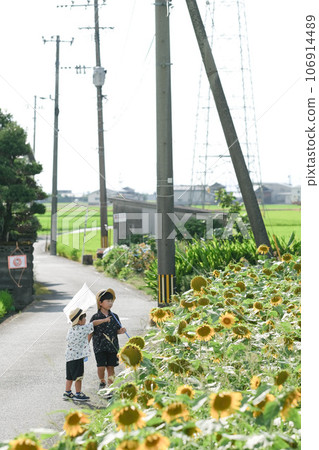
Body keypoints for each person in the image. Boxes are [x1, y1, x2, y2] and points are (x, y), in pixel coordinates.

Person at [63, 307, 111, 401]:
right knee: (78, 377)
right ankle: (78, 393)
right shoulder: (82, 329)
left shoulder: (71, 329)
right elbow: (93, 323)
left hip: (69, 358)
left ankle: (67, 392)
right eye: (84, 318)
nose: (86, 319)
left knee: (69, 376)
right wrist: (105, 320)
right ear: (79, 321)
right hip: (77, 358)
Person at [90, 288, 127, 394]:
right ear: (100, 303)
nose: (110, 303)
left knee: (111, 367)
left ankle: (111, 387)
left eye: (111, 301)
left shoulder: (115, 316)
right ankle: (102, 381)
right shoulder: (95, 317)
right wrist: (86, 343)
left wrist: (121, 331)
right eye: (108, 301)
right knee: (101, 366)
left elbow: (117, 331)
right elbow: (90, 331)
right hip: (99, 346)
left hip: (112, 346)